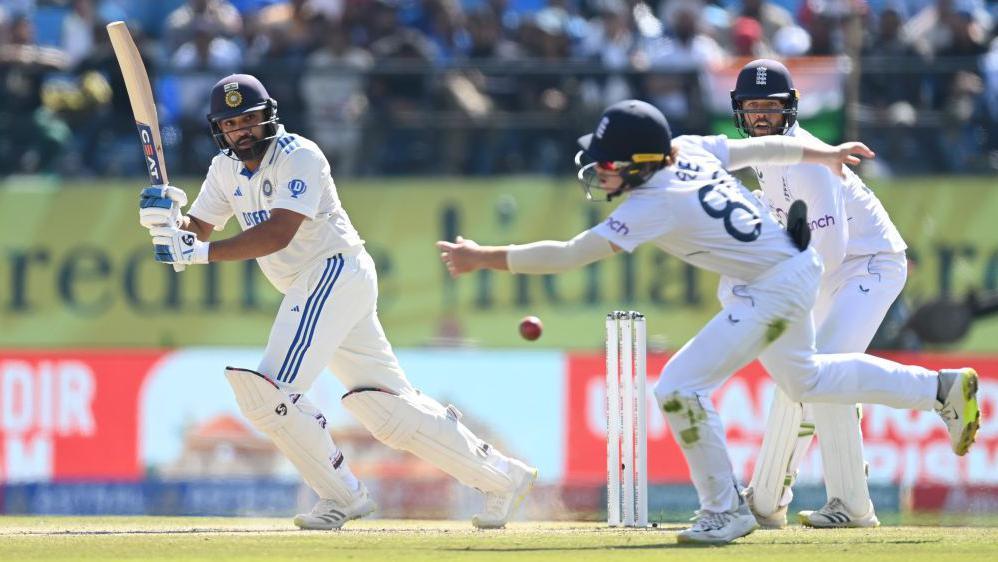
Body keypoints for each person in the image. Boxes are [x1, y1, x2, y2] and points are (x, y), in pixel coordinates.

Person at [435, 99, 981, 544]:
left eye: (611, 161)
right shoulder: (689, 149)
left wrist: (485, 257)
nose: (603, 170)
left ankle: (725, 509)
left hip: (772, 285)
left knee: (678, 385)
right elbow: (767, 145)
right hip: (788, 270)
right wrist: (824, 152)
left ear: (642, 160)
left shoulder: (651, 203)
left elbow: (570, 254)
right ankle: (940, 389)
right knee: (807, 381)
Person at [137, 74, 537, 530]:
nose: (242, 131)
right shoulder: (225, 170)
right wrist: (168, 223)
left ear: (269, 118)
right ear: (219, 130)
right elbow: (198, 232)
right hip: (317, 286)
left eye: (249, 119)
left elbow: (277, 232)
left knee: (269, 394)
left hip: (333, 272)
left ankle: (342, 496)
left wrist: (200, 251)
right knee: (388, 409)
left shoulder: (300, 156)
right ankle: (504, 478)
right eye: (232, 124)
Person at [729, 59, 909, 529]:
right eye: (753, 108)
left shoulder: (804, 159)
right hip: (828, 270)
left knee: (824, 372)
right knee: (801, 377)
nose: (762, 116)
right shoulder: (763, 158)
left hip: (868, 264)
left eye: (771, 107)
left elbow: (830, 249)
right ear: (739, 112)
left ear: (790, 110)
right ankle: (766, 501)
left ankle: (852, 506)